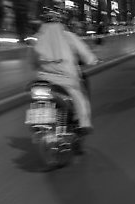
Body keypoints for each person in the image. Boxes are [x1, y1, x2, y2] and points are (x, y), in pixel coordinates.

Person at [32, 7, 98, 137]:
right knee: (79, 96)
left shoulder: (37, 38)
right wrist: (93, 60)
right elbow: (85, 54)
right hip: (66, 78)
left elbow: (31, 60)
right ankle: (83, 123)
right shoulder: (68, 36)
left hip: (43, 79)